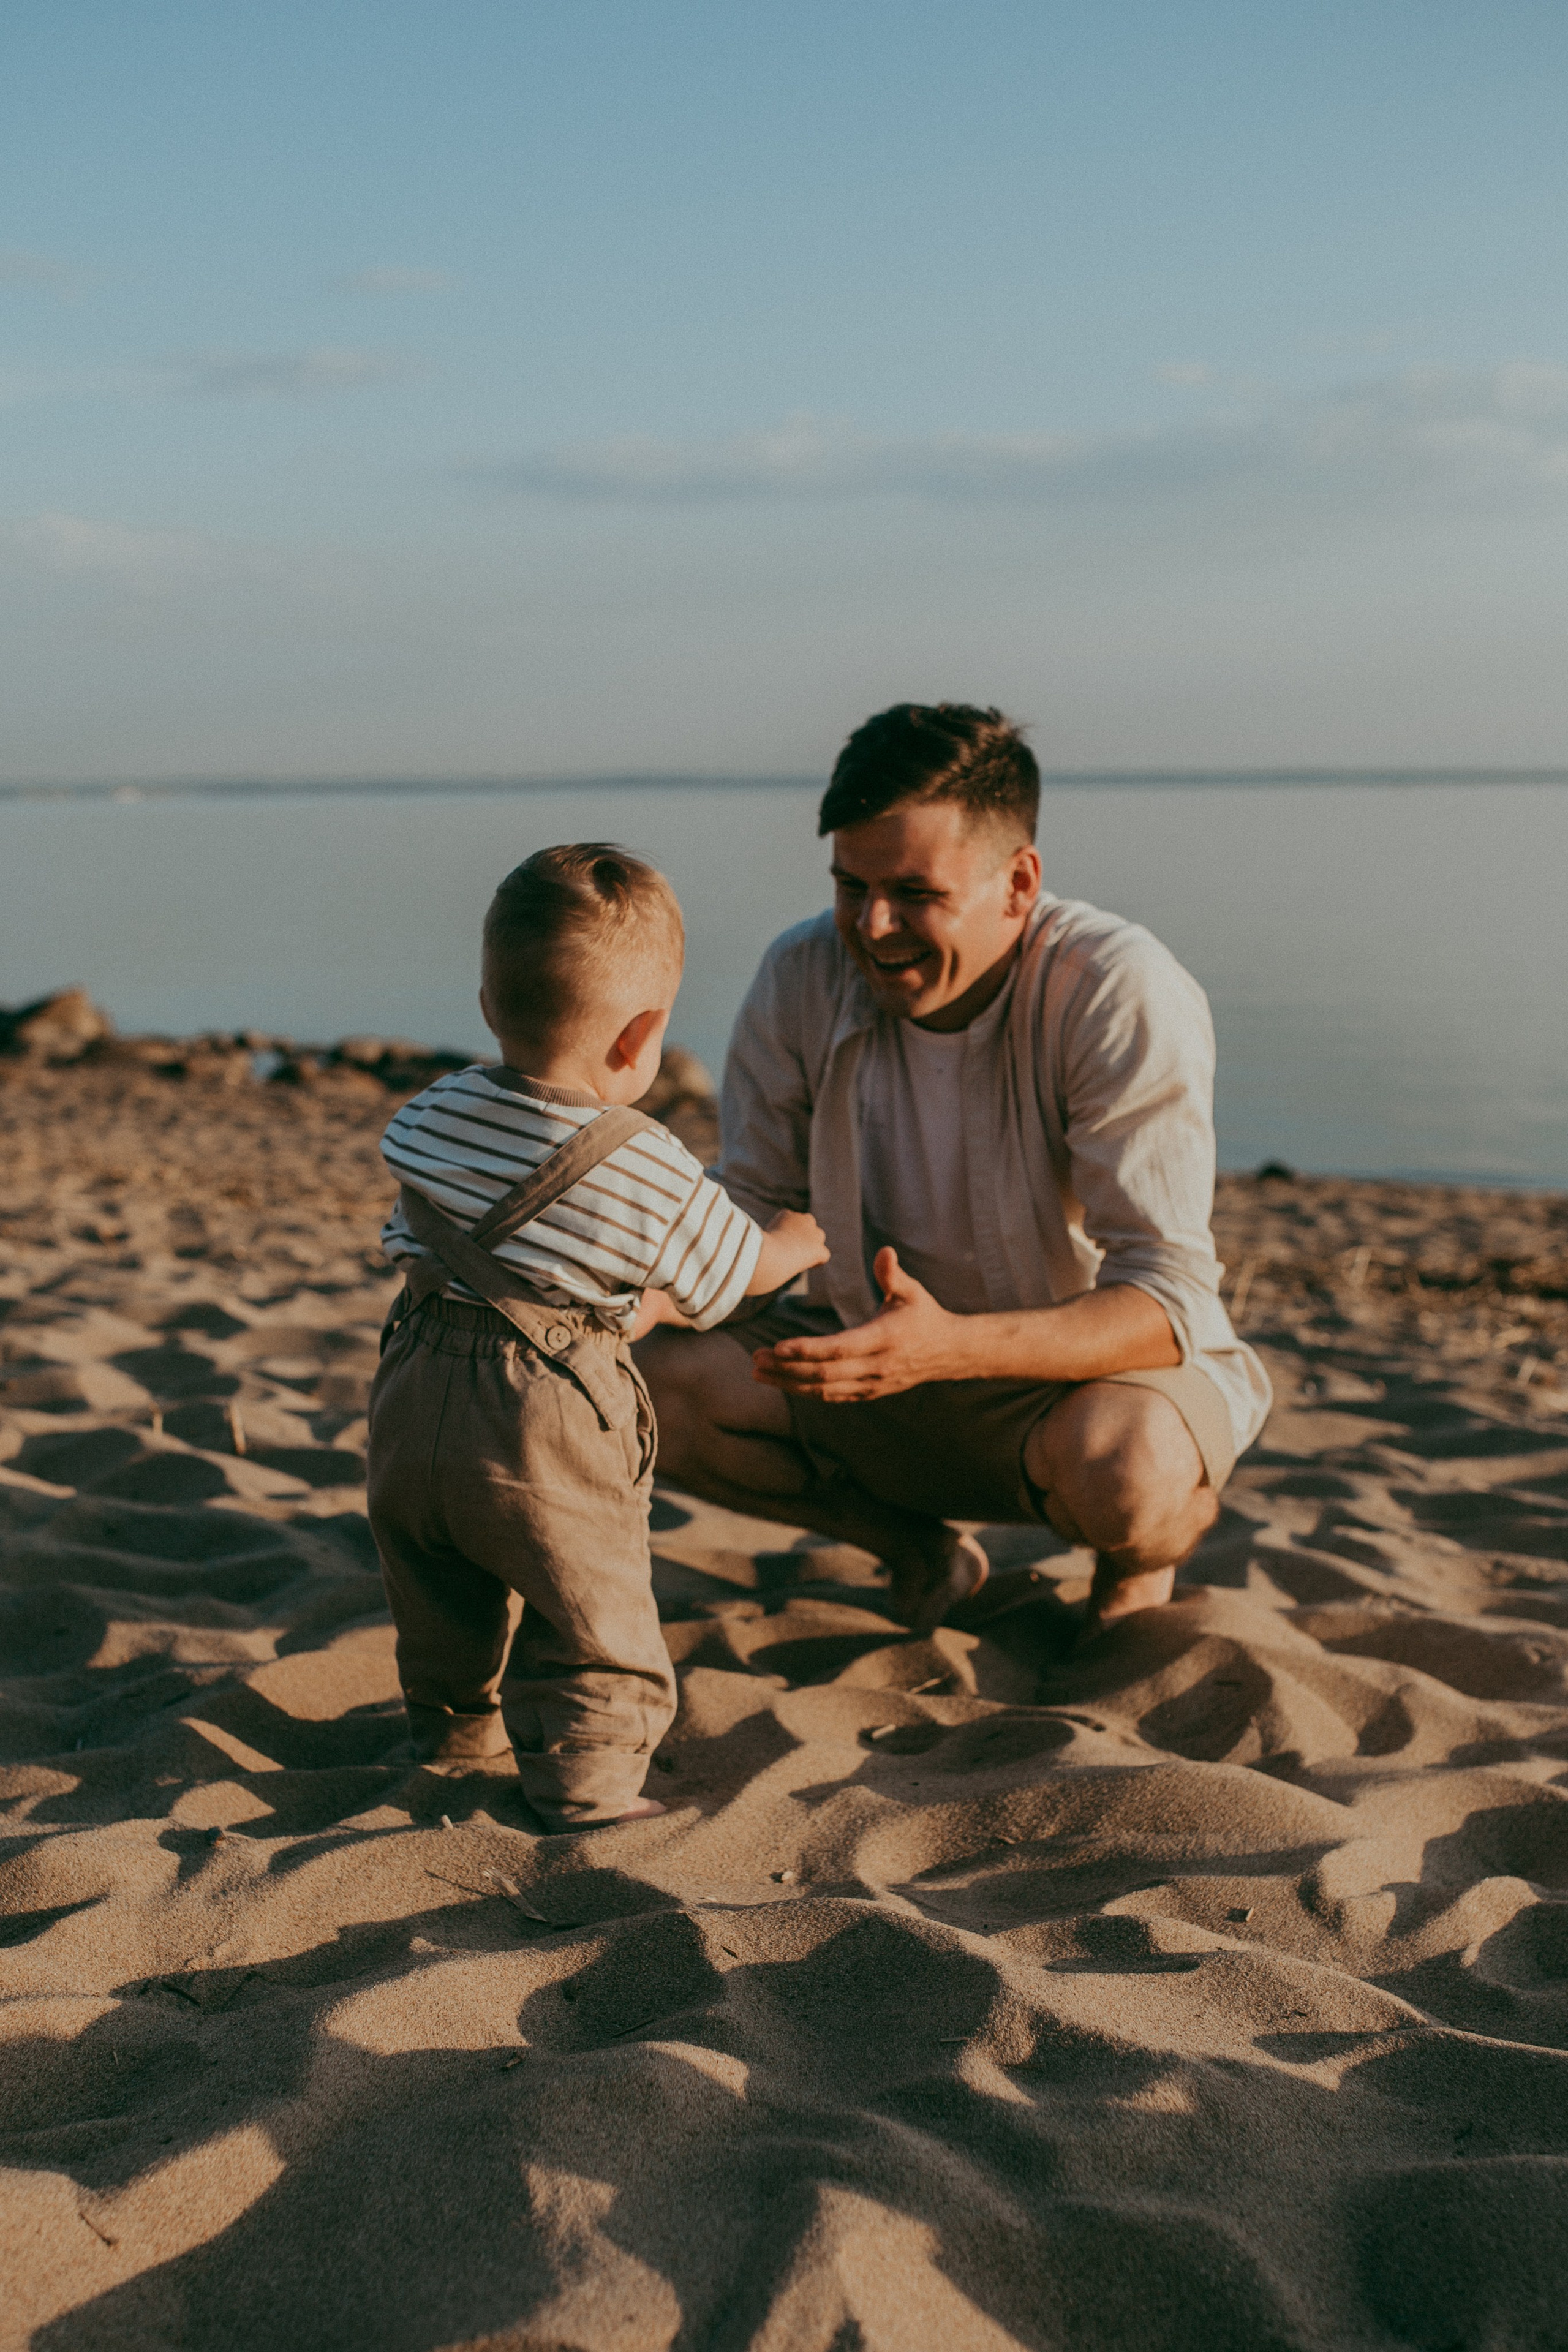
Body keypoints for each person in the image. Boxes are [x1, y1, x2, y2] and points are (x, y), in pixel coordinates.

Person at [638, 704, 1272, 1637]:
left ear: (1019, 883)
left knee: (1129, 1474)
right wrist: (633, 1298)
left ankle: (1134, 1579)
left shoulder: (1115, 987)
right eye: (851, 887)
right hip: (862, 1366)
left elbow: (1169, 1302)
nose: (873, 926)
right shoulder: (801, 972)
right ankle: (916, 1548)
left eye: (914, 893)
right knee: (629, 1385)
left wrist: (946, 1347)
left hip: (1074, 1392)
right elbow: (753, 1205)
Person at [366, 843, 827, 1829]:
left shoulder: (438, 1110)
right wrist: (788, 1246)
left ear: (490, 1004)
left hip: (412, 1387)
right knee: (592, 1598)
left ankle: (451, 1736)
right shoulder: (645, 1161)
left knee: (436, 1582)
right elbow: (720, 1286)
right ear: (644, 1037)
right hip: (543, 1416)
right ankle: (587, 1785)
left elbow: (416, 1205)